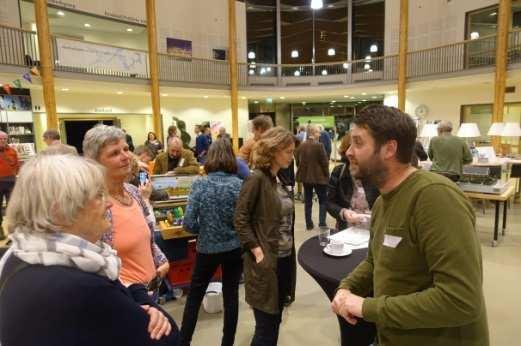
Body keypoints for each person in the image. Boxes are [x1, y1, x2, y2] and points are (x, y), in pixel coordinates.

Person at [331, 105, 489, 346]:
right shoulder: (384, 201)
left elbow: (461, 299)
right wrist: (347, 287)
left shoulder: (435, 197)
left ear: (389, 149)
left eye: (358, 143)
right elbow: (376, 261)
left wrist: (366, 307)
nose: (349, 152)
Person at [0, 154, 178, 346]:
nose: (109, 203)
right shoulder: (83, 285)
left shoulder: (18, 257)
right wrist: (138, 293)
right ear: (61, 209)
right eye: (99, 195)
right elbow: (169, 338)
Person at [83, 125, 170, 296]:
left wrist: (162, 262)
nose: (126, 157)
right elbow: (92, 265)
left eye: (126, 149)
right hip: (124, 299)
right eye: (115, 153)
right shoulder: (94, 204)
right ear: (95, 162)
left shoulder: (133, 192)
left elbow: (147, 238)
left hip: (151, 292)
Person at [234, 126, 296, 346]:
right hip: (267, 262)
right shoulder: (257, 179)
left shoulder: (275, 178)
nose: (291, 155)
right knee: (266, 329)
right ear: (273, 150)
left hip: (283, 259)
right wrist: (257, 251)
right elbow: (240, 219)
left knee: (274, 321)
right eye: (288, 151)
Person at [179, 139, 243, 346]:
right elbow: (244, 222)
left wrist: (205, 231)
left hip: (207, 249)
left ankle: (184, 341)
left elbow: (188, 223)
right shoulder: (239, 185)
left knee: (194, 297)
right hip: (234, 249)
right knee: (231, 297)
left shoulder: (200, 184)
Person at [327, 132, 379, 231]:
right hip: (345, 230)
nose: (352, 154)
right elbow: (329, 202)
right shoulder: (339, 172)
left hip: (372, 232)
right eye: (349, 150)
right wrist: (343, 212)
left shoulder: (377, 172)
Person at [295, 124, 330, 230]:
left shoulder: (301, 146)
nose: (320, 134)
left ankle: (309, 224)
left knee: (308, 201)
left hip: (306, 178)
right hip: (319, 178)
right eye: (318, 132)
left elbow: (297, 162)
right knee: (322, 200)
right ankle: (322, 223)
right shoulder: (319, 146)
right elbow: (325, 163)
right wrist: (327, 176)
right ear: (313, 133)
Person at [0, 131, 18, 239]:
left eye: (4, 139)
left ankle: (13, 229)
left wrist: (15, 174)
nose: (2, 141)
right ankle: (0, 230)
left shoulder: (12, 151)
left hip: (11, 181)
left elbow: (16, 164)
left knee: (12, 206)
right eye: (0, 139)